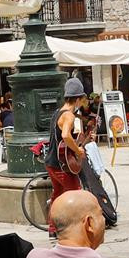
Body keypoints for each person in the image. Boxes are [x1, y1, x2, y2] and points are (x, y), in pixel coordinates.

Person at [46, 80, 87, 224]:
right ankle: (76, 226)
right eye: (81, 101)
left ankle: (53, 227)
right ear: (77, 99)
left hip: (51, 162)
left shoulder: (57, 113)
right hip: (60, 165)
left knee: (57, 194)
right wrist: (78, 150)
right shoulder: (69, 115)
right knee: (76, 192)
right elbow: (65, 136)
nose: (81, 104)